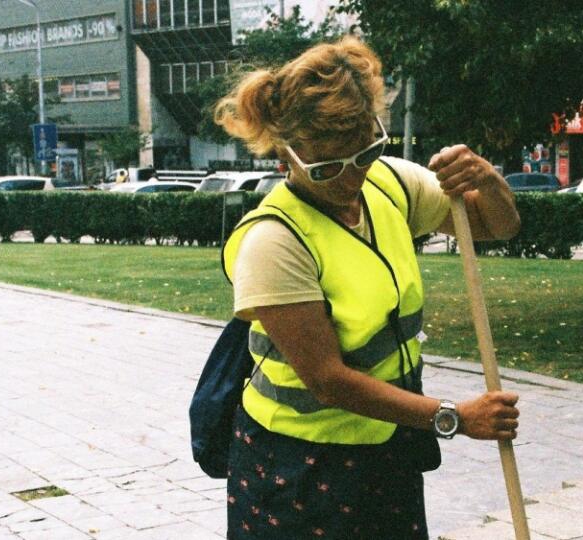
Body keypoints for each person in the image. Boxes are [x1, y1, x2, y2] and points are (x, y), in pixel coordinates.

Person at [215, 36, 521, 539]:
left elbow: (496, 225)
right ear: (285, 156)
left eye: (365, 154)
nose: (350, 177)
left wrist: (487, 181)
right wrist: (454, 418)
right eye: (327, 166)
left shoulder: (388, 183)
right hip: (300, 468)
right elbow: (328, 381)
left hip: (385, 447)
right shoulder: (274, 241)